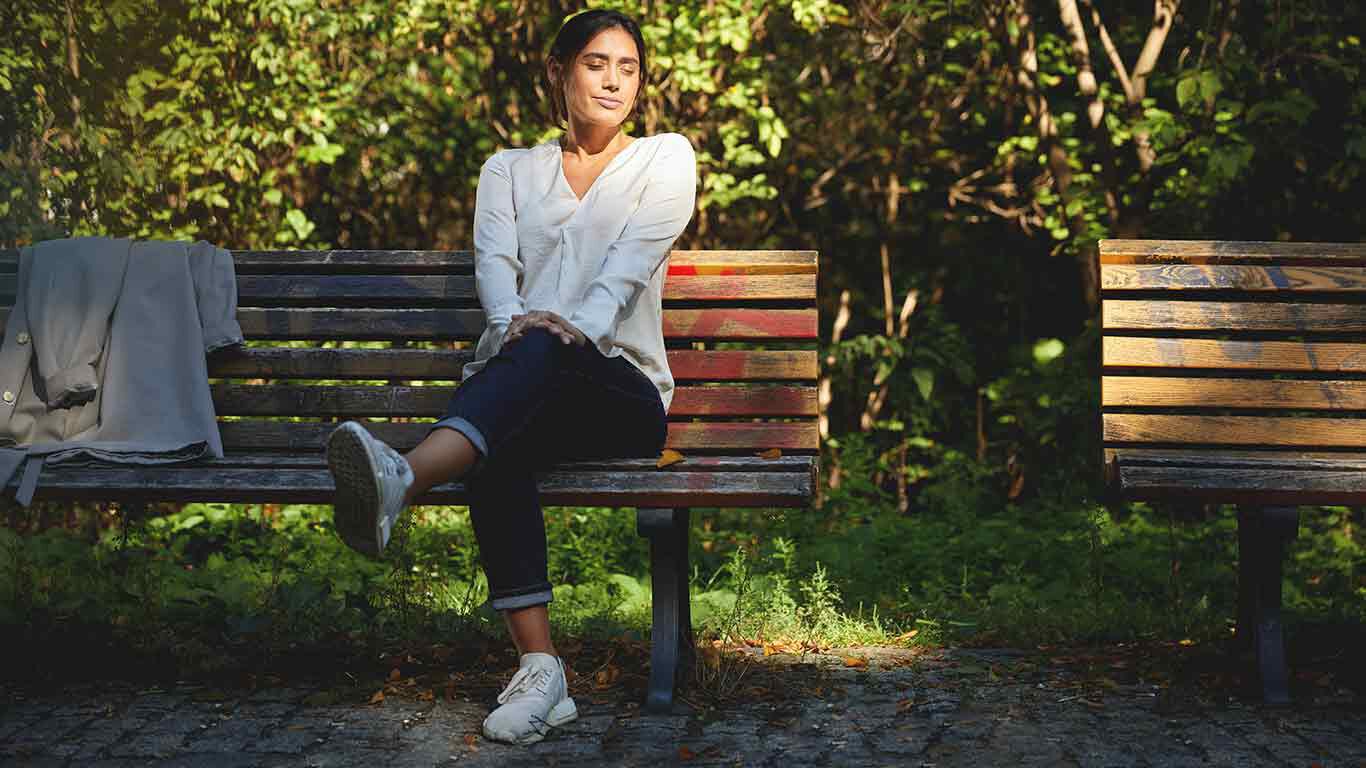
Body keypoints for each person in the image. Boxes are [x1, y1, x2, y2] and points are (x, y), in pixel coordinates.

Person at [324, 9, 696, 745]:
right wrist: (516, 323)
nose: (614, 80)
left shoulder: (666, 160)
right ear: (559, 72)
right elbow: (495, 267)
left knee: (535, 362)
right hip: (523, 382)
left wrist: (569, 329)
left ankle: (404, 475)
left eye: (628, 67)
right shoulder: (509, 170)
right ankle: (540, 670)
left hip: (620, 394)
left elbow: (627, 270)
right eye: (596, 63)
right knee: (499, 437)